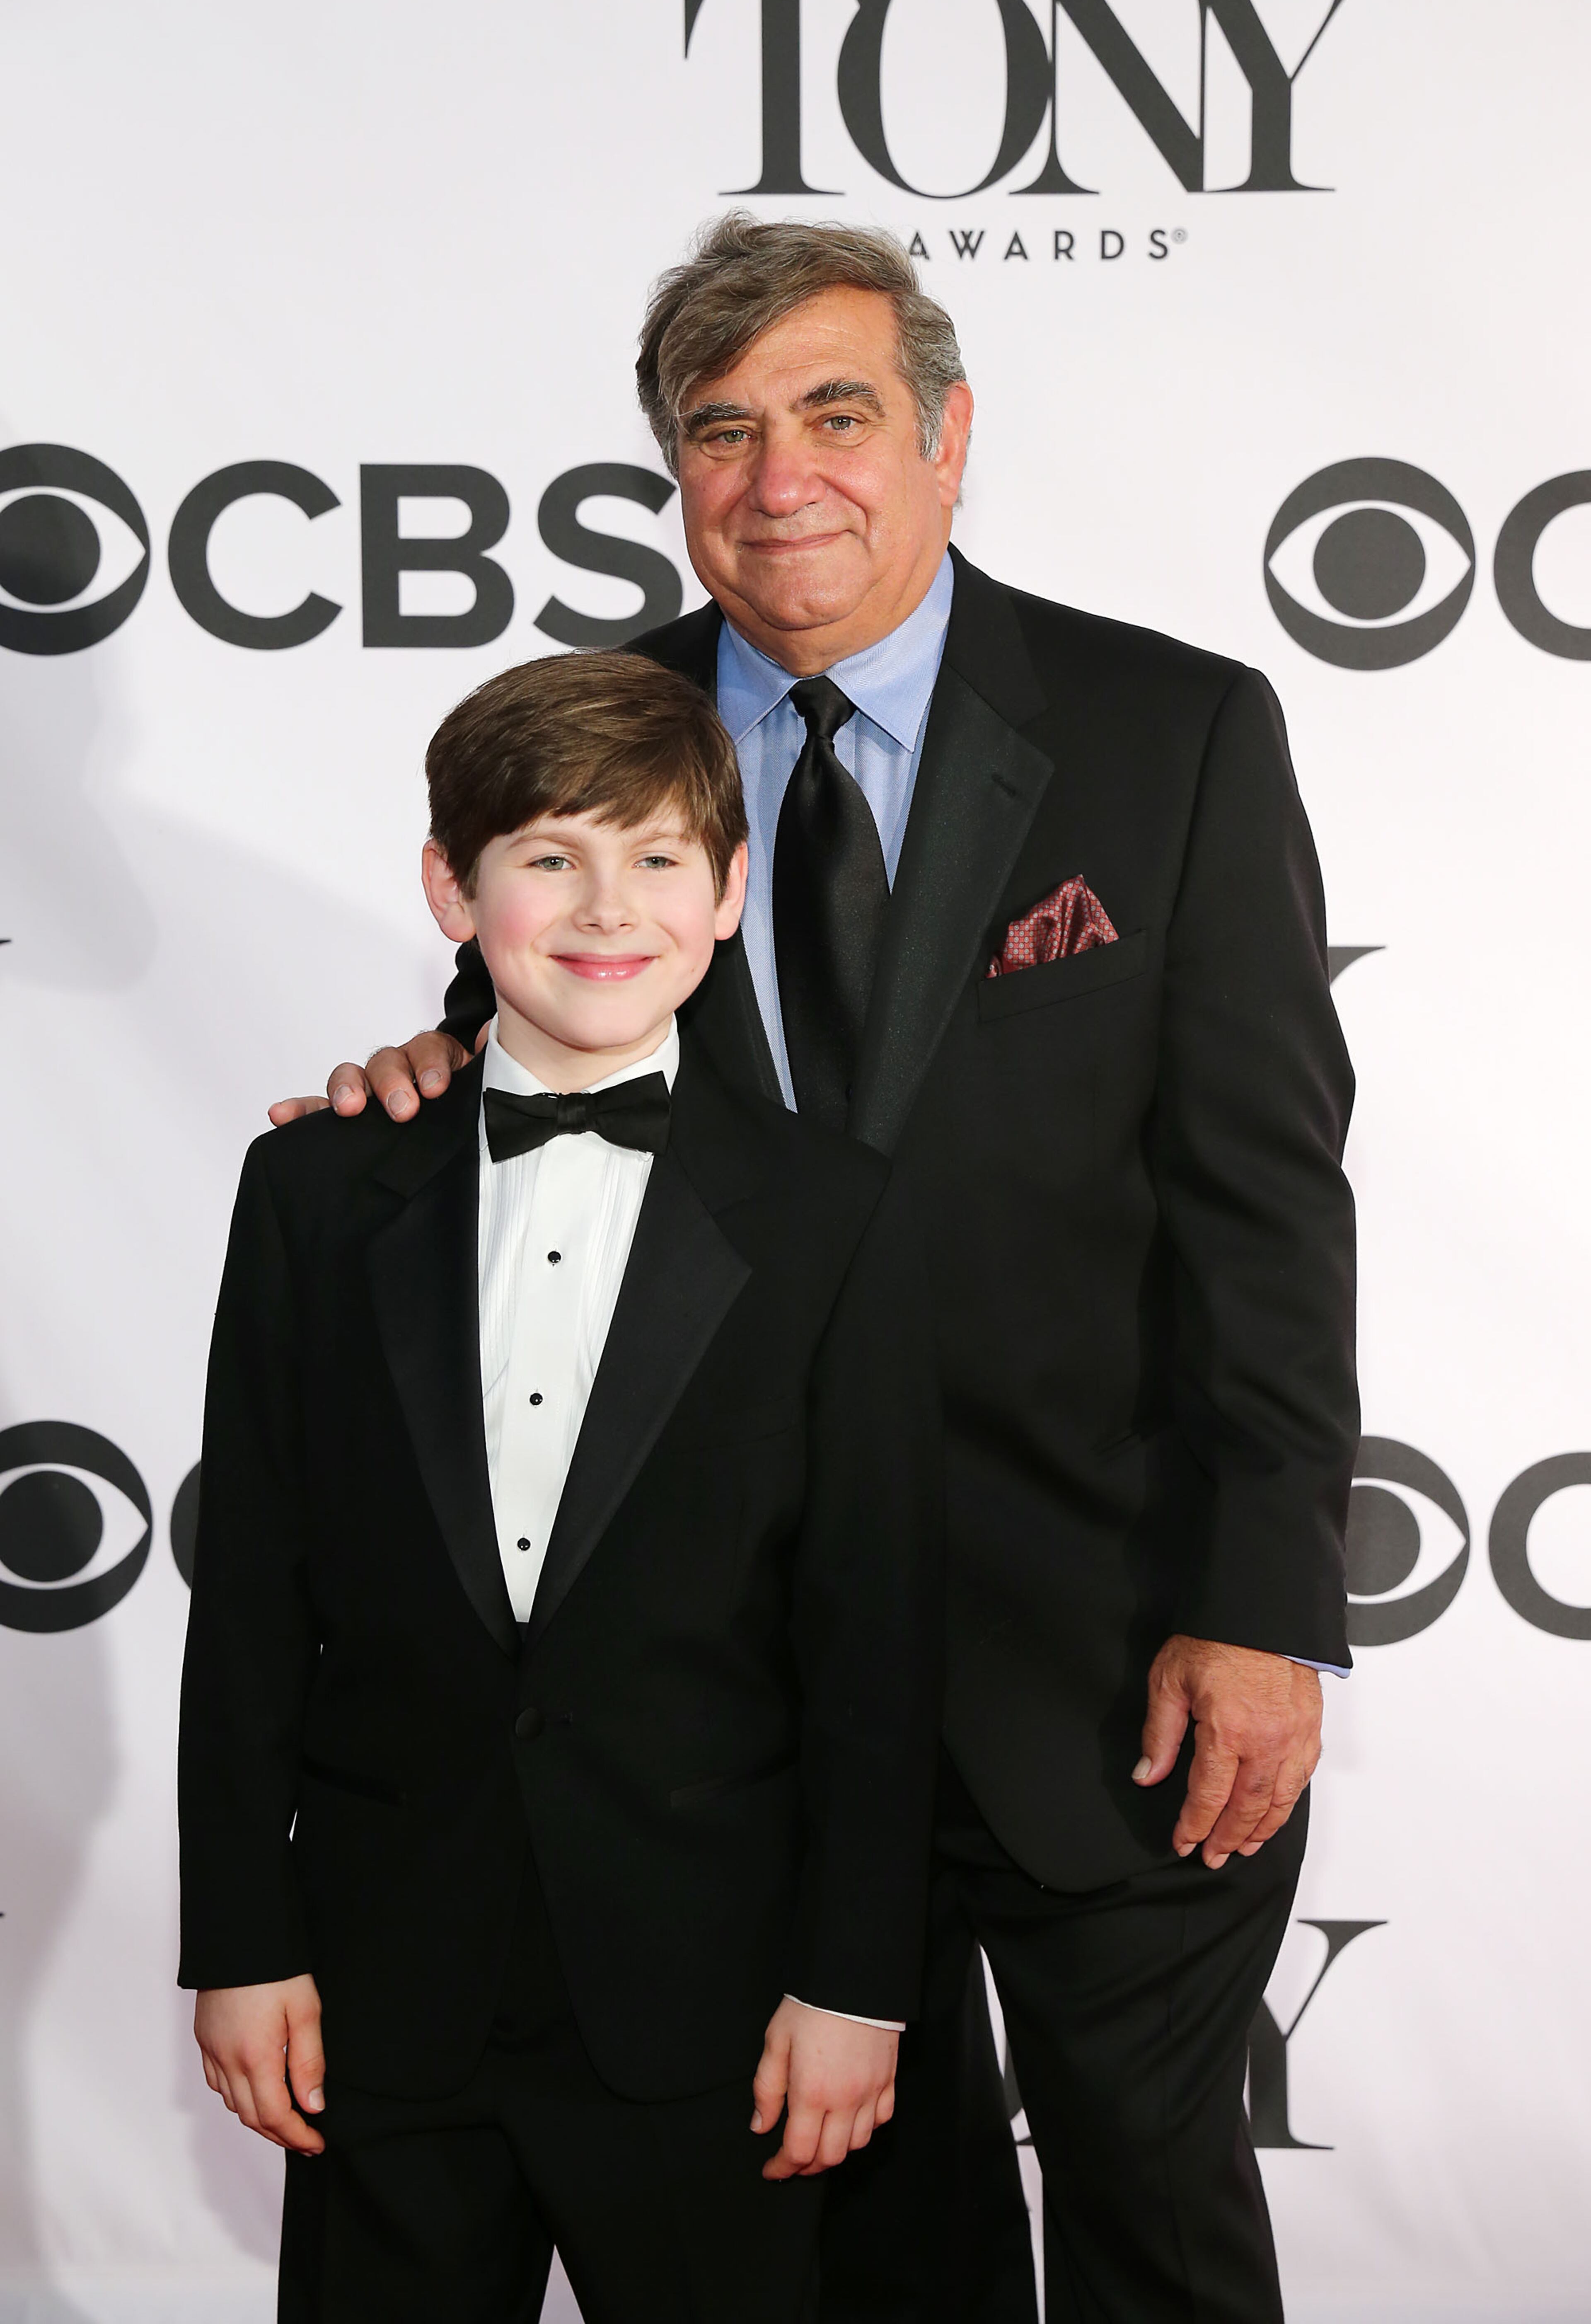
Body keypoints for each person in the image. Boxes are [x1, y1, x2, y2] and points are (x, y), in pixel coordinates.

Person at [276, 216, 1359, 2323]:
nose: (785, 479)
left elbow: (1269, 1207)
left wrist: (1259, 1606)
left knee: (1157, 2214)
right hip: (743, 1693)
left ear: (949, 439)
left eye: (839, 414)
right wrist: (431, 1065)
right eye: (725, 430)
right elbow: (550, 1043)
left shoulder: (1175, 734)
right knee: (871, 2250)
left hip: (1110, 1651)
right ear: (676, 475)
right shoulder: (602, 738)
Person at [179, 649, 944, 2324]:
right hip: (389, 1990)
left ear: (731, 891)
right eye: (550, 857)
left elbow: (874, 1637)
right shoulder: (315, 1191)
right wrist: (238, 1936)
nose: (609, 908)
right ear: (453, 889)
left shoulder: (832, 1212)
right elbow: (249, 1595)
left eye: (660, 858)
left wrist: (857, 1987)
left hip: (715, 2005)